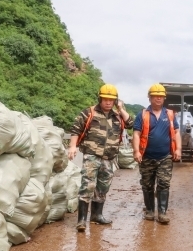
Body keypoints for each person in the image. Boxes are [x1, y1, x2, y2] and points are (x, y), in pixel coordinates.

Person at [68, 84, 133, 232]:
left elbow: (131, 123)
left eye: (111, 100)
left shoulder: (118, 116)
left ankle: (97, 215)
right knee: (87, 186)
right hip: (92, 155)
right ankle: (82, 220)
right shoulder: (89, 112)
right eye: (105, 99)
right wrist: (73, 146)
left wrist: (121, 109)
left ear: (115, 101)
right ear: (100, 98)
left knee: (103, 187)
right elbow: (75, 129)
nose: (108, 102)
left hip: (109, 158)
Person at [133, 83, 182, 224]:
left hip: (165, 156)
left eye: (161, 96)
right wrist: (136, 151)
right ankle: (149, 211)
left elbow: (177, 132)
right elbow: (136, 134)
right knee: (147, 184)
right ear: (150, 98)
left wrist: (178, 149)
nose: (158, 99)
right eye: (155, 96)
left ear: (164, 98)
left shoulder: (170, 115)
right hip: (146, 156)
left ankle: (162, 213)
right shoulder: (142, 115)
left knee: (164, 184)